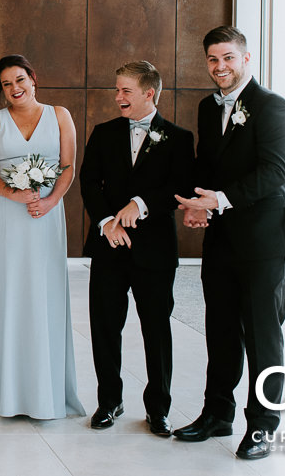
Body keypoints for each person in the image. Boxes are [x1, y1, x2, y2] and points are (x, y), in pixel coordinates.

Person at [173, 26, 285, 460]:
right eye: (213, 60)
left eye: (229, 58)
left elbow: (274, 173)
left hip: (269, 240)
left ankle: (263, 427)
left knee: (262, 337)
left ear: (246, 59)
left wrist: (221, 199)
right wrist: (198, 202)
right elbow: (209, 166)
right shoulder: (206, 106)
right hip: (225, 238)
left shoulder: (273, 108)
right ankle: (217, 414)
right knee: (221, 331)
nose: (221, 67)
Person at [0, 54, 85, 419]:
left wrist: (50, 201)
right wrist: (13, 194)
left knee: (43, 293)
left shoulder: (60, 115)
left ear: (33, 78)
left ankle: (43, 390)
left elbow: (67, 168)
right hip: (7, 215)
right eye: (6, 84)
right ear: (0, 90)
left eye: (20, 80)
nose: (14, 89)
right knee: (7, 291)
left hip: (46, 216)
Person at [80, 61, 193, 436]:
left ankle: (158, 408)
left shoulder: (178, 138)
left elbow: (181, 188)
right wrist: (107, 223)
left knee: (157, 331)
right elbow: (88, 183)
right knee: (105, 327)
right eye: (117, 90)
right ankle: (109, 401)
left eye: (126, 91)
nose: (118, 97)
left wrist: (140, 204)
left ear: (149, 93)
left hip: (155, 252)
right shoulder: (104, 132)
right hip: (110, 247)